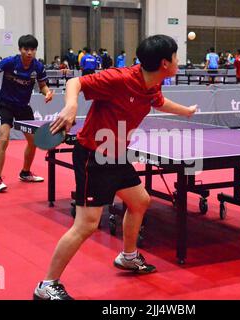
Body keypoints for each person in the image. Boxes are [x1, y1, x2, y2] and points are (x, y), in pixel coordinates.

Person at [32, 34, 197, 300]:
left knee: (140, 201)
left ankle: (128, 257)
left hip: (116, 155)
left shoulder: (152, 83)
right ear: (165, 63)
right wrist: (72, 105)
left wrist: (185, 112)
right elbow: (76, 82)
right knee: (86, 224)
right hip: (93, 156)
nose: (179, 60)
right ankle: (47, 284)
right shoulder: (119, 79)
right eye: (177, 56)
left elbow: (158, 102)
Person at [0, 35, 55, 193]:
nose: (29, 52)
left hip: (23, 106)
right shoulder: (10, 62)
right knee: (4, 139)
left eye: (32, 49)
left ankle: (25, 172)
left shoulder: (38, 67)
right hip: (5, 104)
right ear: (20, 49)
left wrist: (47, 92)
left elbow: (42, 85)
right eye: (26, 49)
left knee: (33, 141)